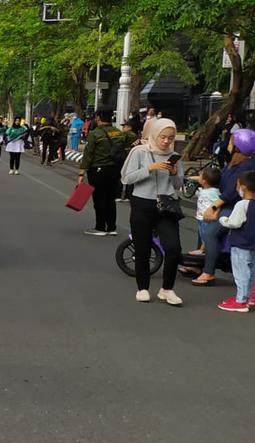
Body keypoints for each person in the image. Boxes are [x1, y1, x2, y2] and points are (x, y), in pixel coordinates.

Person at [120, 117, 184, 305]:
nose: (166, 141)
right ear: (155, 134)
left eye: (170, 138)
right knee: (142, 248)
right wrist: (149, 168)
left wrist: (173, 173)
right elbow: (126, 178)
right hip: (143, 203)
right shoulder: (139, 151)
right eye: (163, 137)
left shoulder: (174, 156)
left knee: (173, 248)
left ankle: (167, 289)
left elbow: (179, 183)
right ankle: (143, 287)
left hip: (167, 205)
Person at [196, 128, 255, 286]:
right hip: (226, 203)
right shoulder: (234, 162)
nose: (227, 144)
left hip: (238, 208)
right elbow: (220, 179)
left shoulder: (246, 166)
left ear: (238, 147)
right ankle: (196, 264)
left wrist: (215, 208)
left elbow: (232, 192)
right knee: (202, 224)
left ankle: (208, 272)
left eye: (230, 142)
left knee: (210, 233)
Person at [77, 108, 133, 236]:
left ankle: (100, 227)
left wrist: (81, 173)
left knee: (99, 198)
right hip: (115, 170)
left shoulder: (95, 133)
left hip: (98, 170)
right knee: (110, 198)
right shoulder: (119, 132)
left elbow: (88, 155)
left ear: (98, 118)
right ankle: (112, 227)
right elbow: (131, 137)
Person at [217, 170, 255, 312]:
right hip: (253, 244)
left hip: (241, 244)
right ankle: (251, 297)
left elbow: (234, 223)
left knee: (241, 273)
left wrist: (223, 220)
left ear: (243, 187)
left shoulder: (242, 205)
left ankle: (241, 301)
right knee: (252, 272)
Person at [189, 166, 221, 256]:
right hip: (200, 217)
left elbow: (217, 204)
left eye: (200, 176)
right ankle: (203, 249)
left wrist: (214, 213)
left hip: (207, 218)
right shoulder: (205, 189)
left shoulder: (214, 192)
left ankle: (203, 250)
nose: (198, 177)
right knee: (203, 234)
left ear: (204, 181)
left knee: (206, 235)